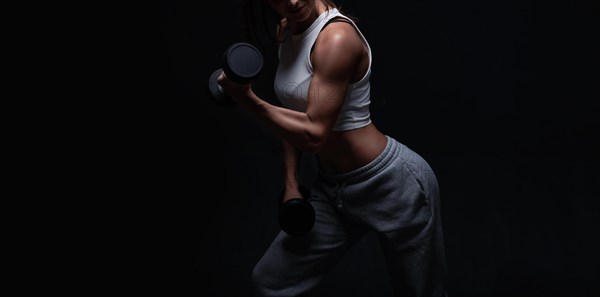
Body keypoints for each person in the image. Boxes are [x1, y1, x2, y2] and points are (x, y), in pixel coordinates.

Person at [217, 0, 448, 296]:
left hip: (391, 184)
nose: (293, 1)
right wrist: (291, 184)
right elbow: (293, 115)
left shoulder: (336, 38)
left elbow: (314, 134)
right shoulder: (286, 30)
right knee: (270, 281)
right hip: (332, 190)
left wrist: (247, 99)